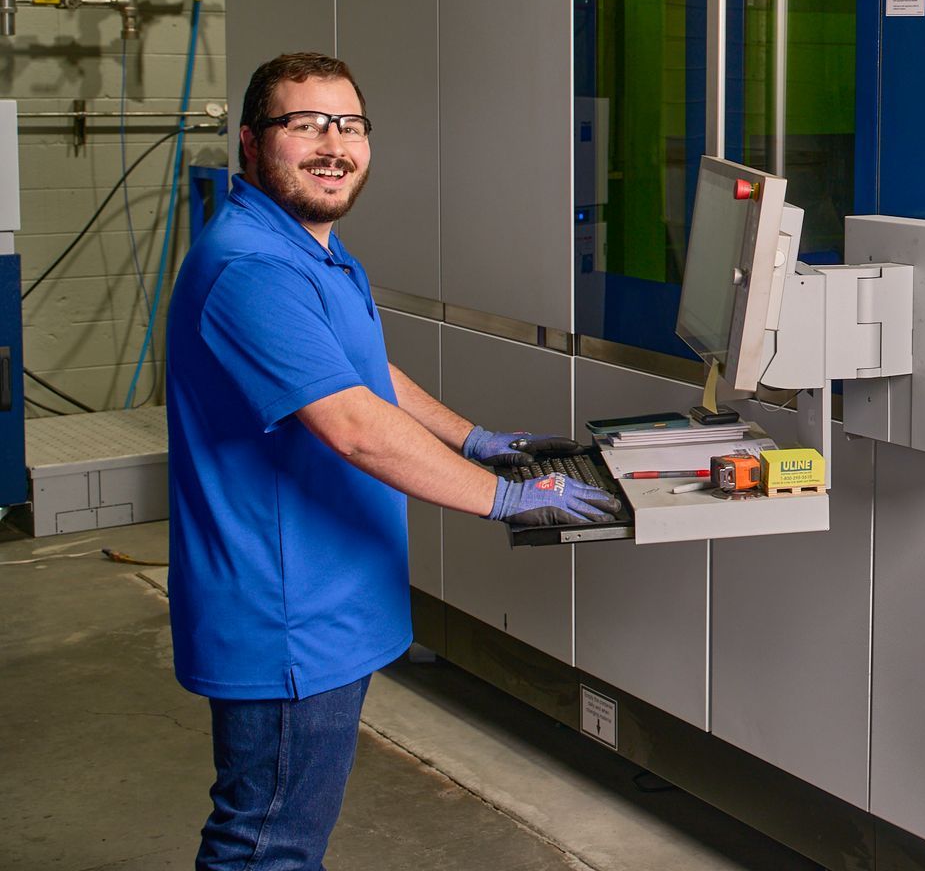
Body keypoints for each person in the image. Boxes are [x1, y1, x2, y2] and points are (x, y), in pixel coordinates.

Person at [164, 51, 617, 870]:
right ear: (251, 143)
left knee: (281, 835)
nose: (332, 143)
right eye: (304, 124)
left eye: (350, 125)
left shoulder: (313, 250)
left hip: (330, 602)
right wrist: (503, 499)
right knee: (266, 845)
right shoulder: (251, 269)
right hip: (289, 620)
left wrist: (473, 437)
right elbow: (353, 425)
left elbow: (361, 376)